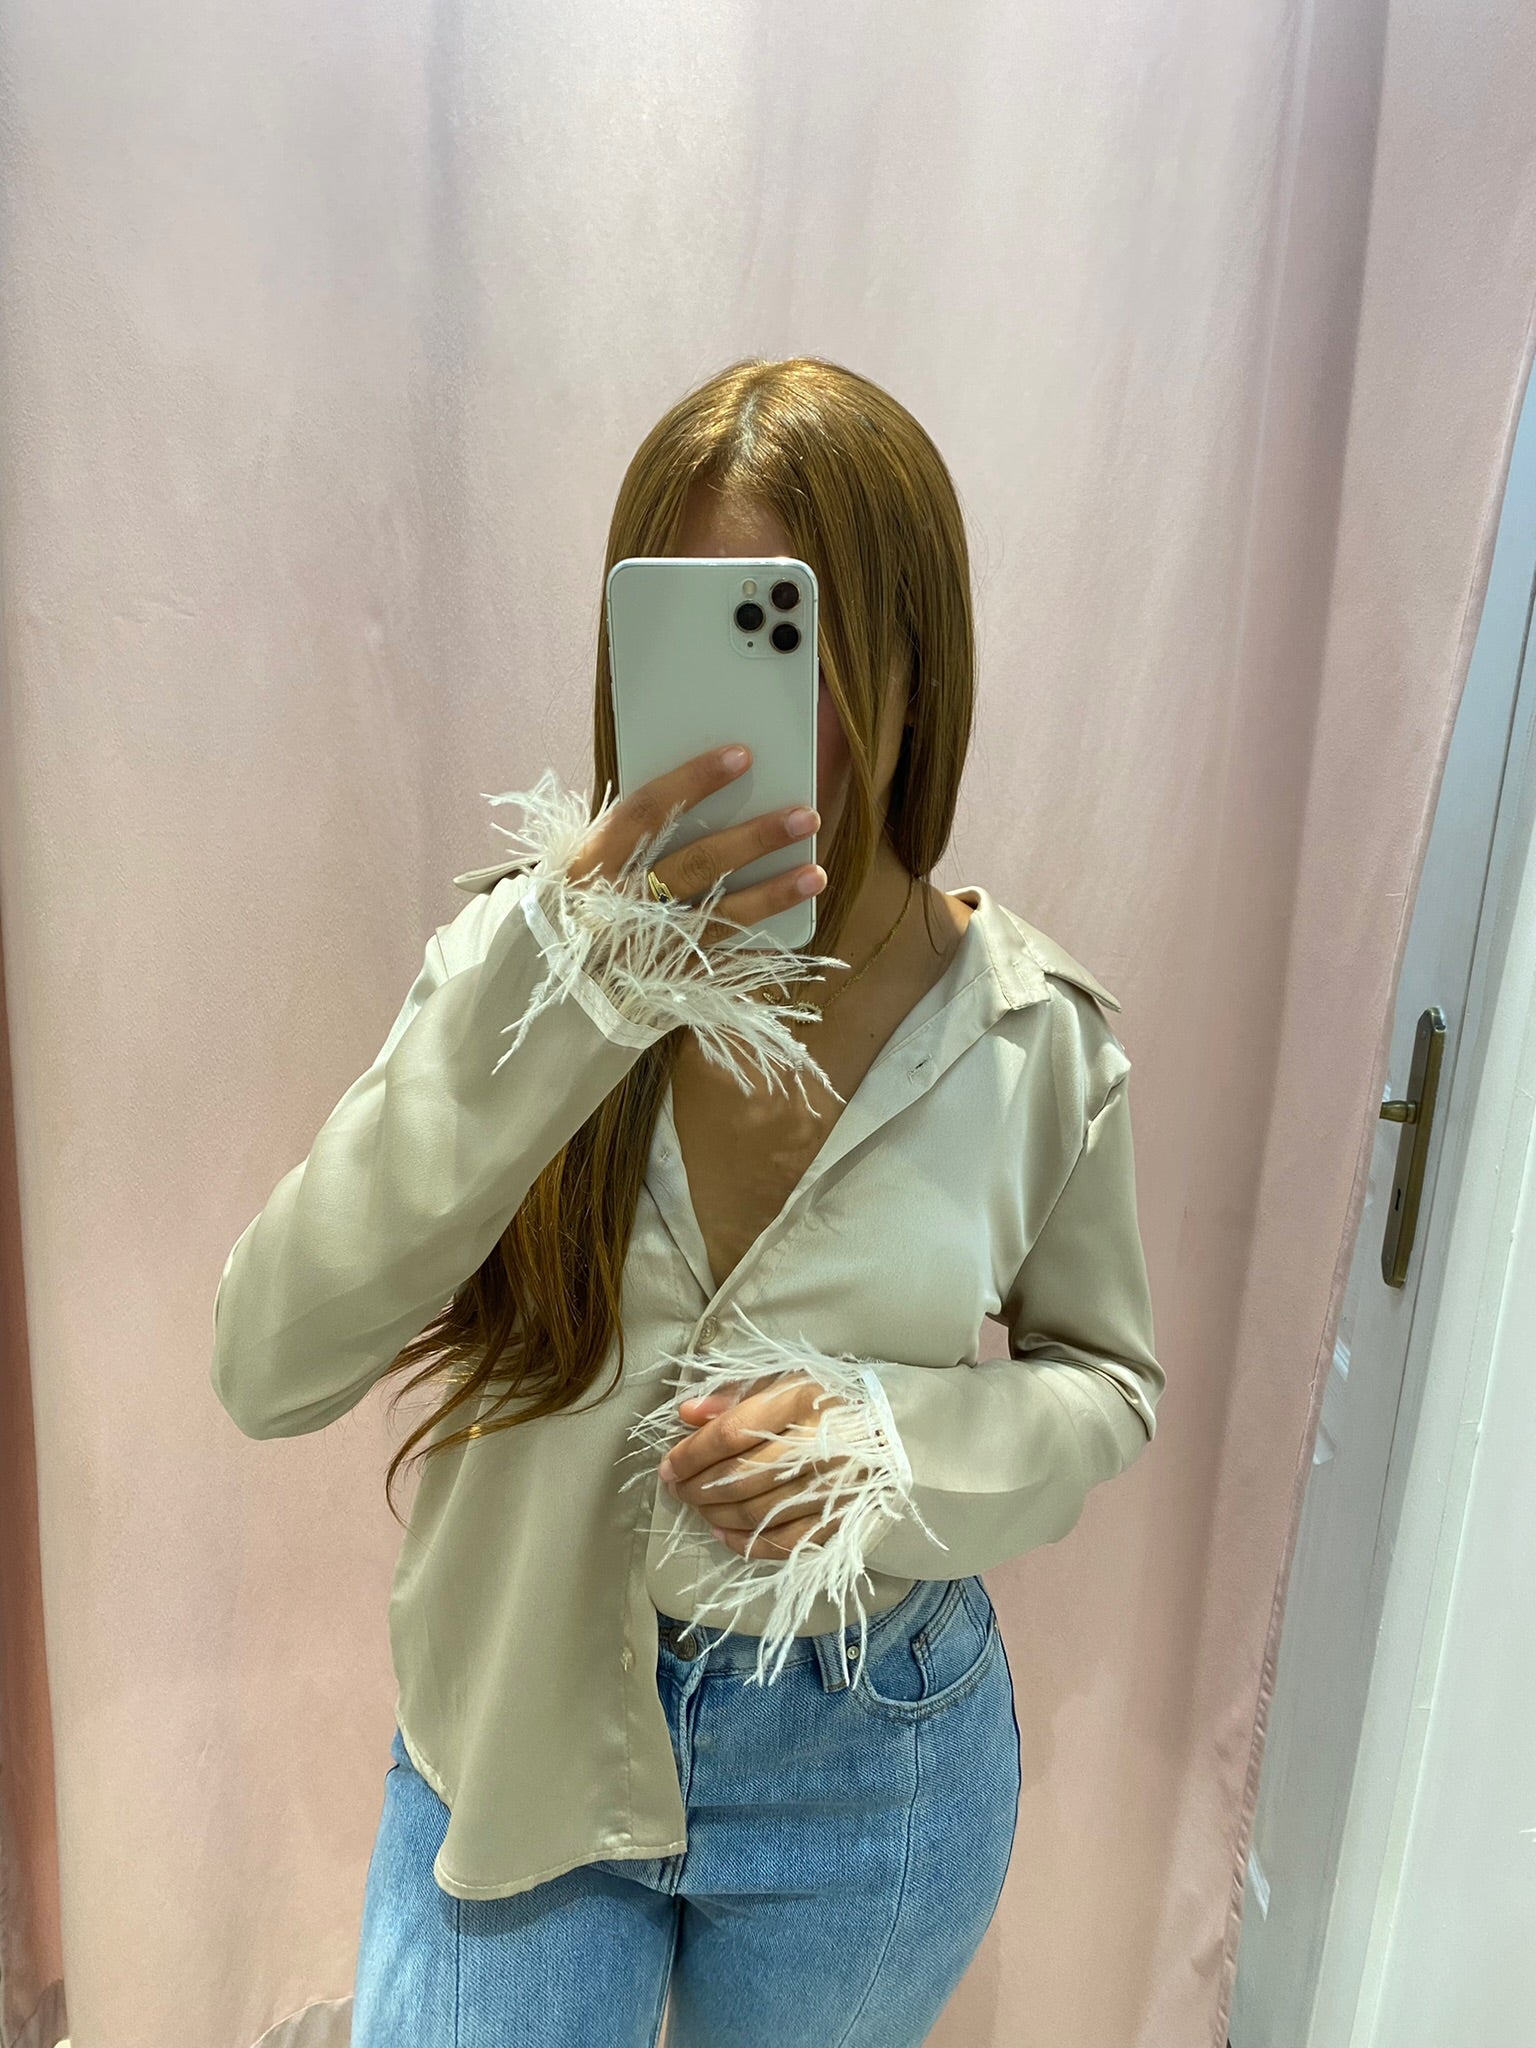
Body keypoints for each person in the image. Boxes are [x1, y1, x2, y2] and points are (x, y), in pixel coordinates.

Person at [210, 356, 1164, 2047]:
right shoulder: (525, 965)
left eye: (789, 634)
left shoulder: (1030, 1039)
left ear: (915, 655)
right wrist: (561, 997)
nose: (757, 713)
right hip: (523, 1716)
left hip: (872, 1756)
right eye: (700, 634)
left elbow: (1106, 1387)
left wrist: (891, 1444)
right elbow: (267, 1366)